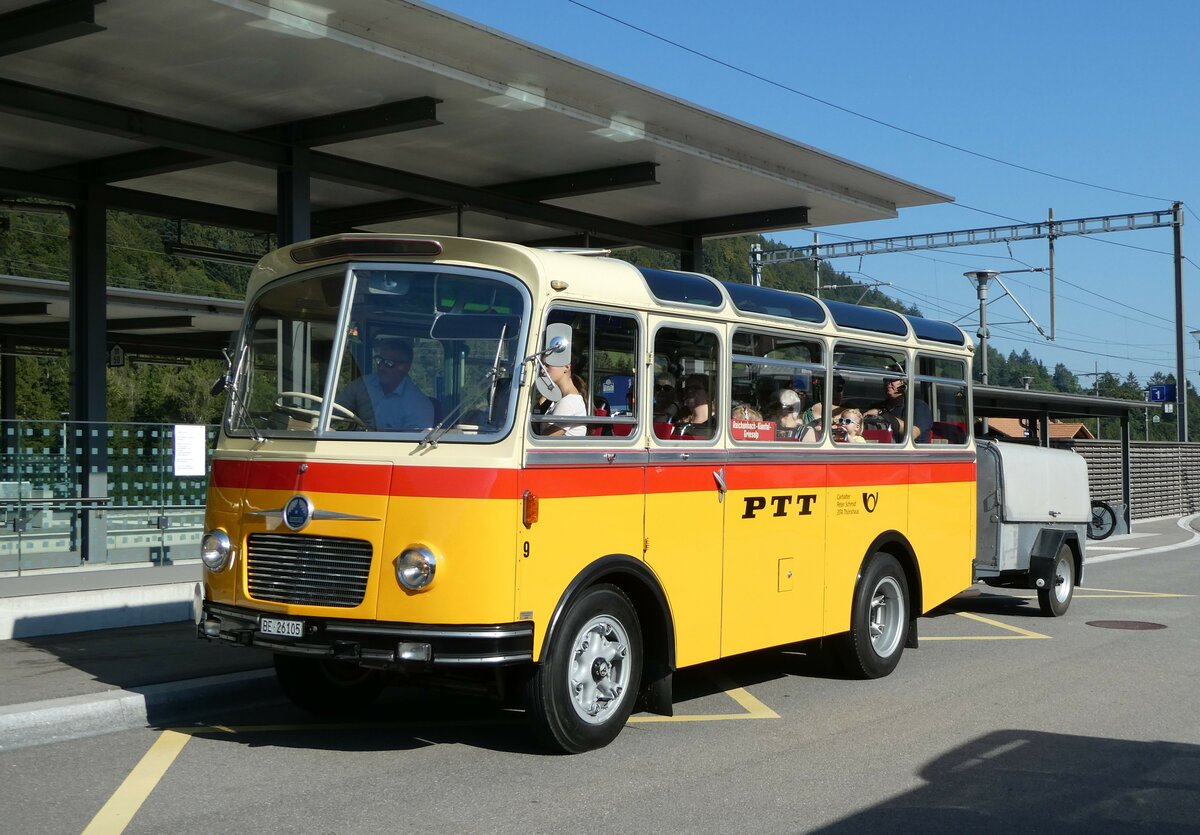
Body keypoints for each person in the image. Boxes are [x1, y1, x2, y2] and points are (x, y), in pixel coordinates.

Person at [337, 338, 433, 430]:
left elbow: (413, 442)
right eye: (380, 360)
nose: (381, 367)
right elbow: (334, 409)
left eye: (389, 363)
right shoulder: (363, 385)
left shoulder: (419, 405)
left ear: (405, 367)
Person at [864, 371, 932, 443]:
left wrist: (882, 413)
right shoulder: (878, 406)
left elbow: (912, 433)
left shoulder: (918, 406)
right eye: (886, 380)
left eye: (893, 379)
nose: (888, 383)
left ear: (904, 383)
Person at [538, 357, 588, 437]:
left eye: (548, 365)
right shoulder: (563, 399)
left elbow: (547, 438)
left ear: (566, 367)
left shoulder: (569, 402)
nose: (542, 370)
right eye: (542, 366)